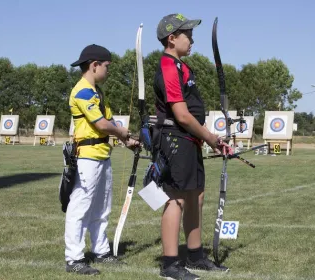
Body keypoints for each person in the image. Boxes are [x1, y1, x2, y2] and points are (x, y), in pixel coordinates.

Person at [154, 14, 232, 280]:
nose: (192, 39)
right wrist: (210, 138)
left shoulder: (180, 66)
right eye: (187, 34)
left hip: (189, 139)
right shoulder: (168, 66)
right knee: (175, 199)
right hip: (176, 139)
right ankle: (170, 264)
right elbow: (182, 115)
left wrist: (207, 136)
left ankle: (195, 255)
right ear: (172, 38)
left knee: (195, 197)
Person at [65, 44, 138, 275]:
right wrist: (123, 133)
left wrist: (126, 139)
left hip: (101, 156)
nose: (108, 71)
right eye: (106, 66)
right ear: (94, 65)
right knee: (80, 208)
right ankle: (74, 258)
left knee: (102, 209)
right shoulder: (83, 91)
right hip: (87, 157)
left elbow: (110, 121)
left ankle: (101, 251)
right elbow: (101, 125)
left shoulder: (96, 92)